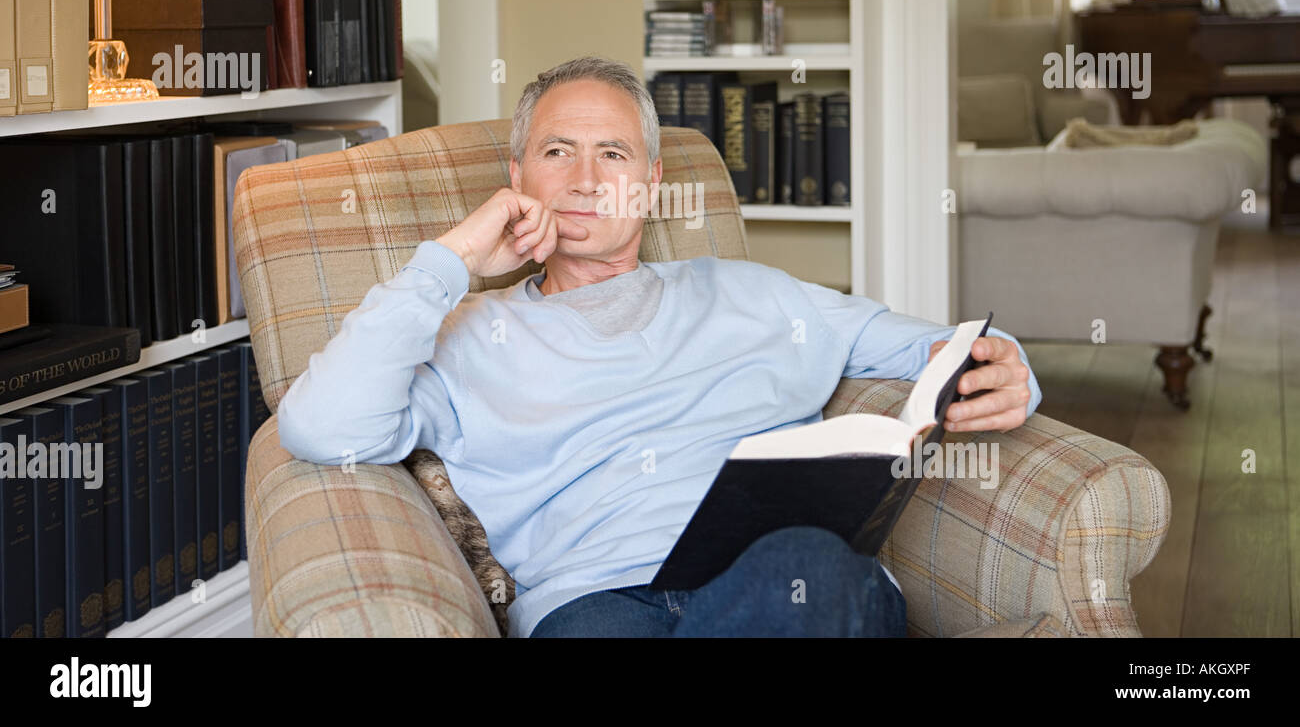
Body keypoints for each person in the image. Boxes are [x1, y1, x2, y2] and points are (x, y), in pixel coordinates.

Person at [276, 56, 1042, 638]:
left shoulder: (755, 294)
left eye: (611, 153)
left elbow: (937, 349)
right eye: (556, 153)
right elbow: (321, 427)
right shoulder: (464, 335)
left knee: (810, 566)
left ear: (650, 178)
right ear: (516, 178)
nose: (585, 179)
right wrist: (452, 260)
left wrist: (1004, 364)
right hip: (592, 608)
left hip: (777, 588)